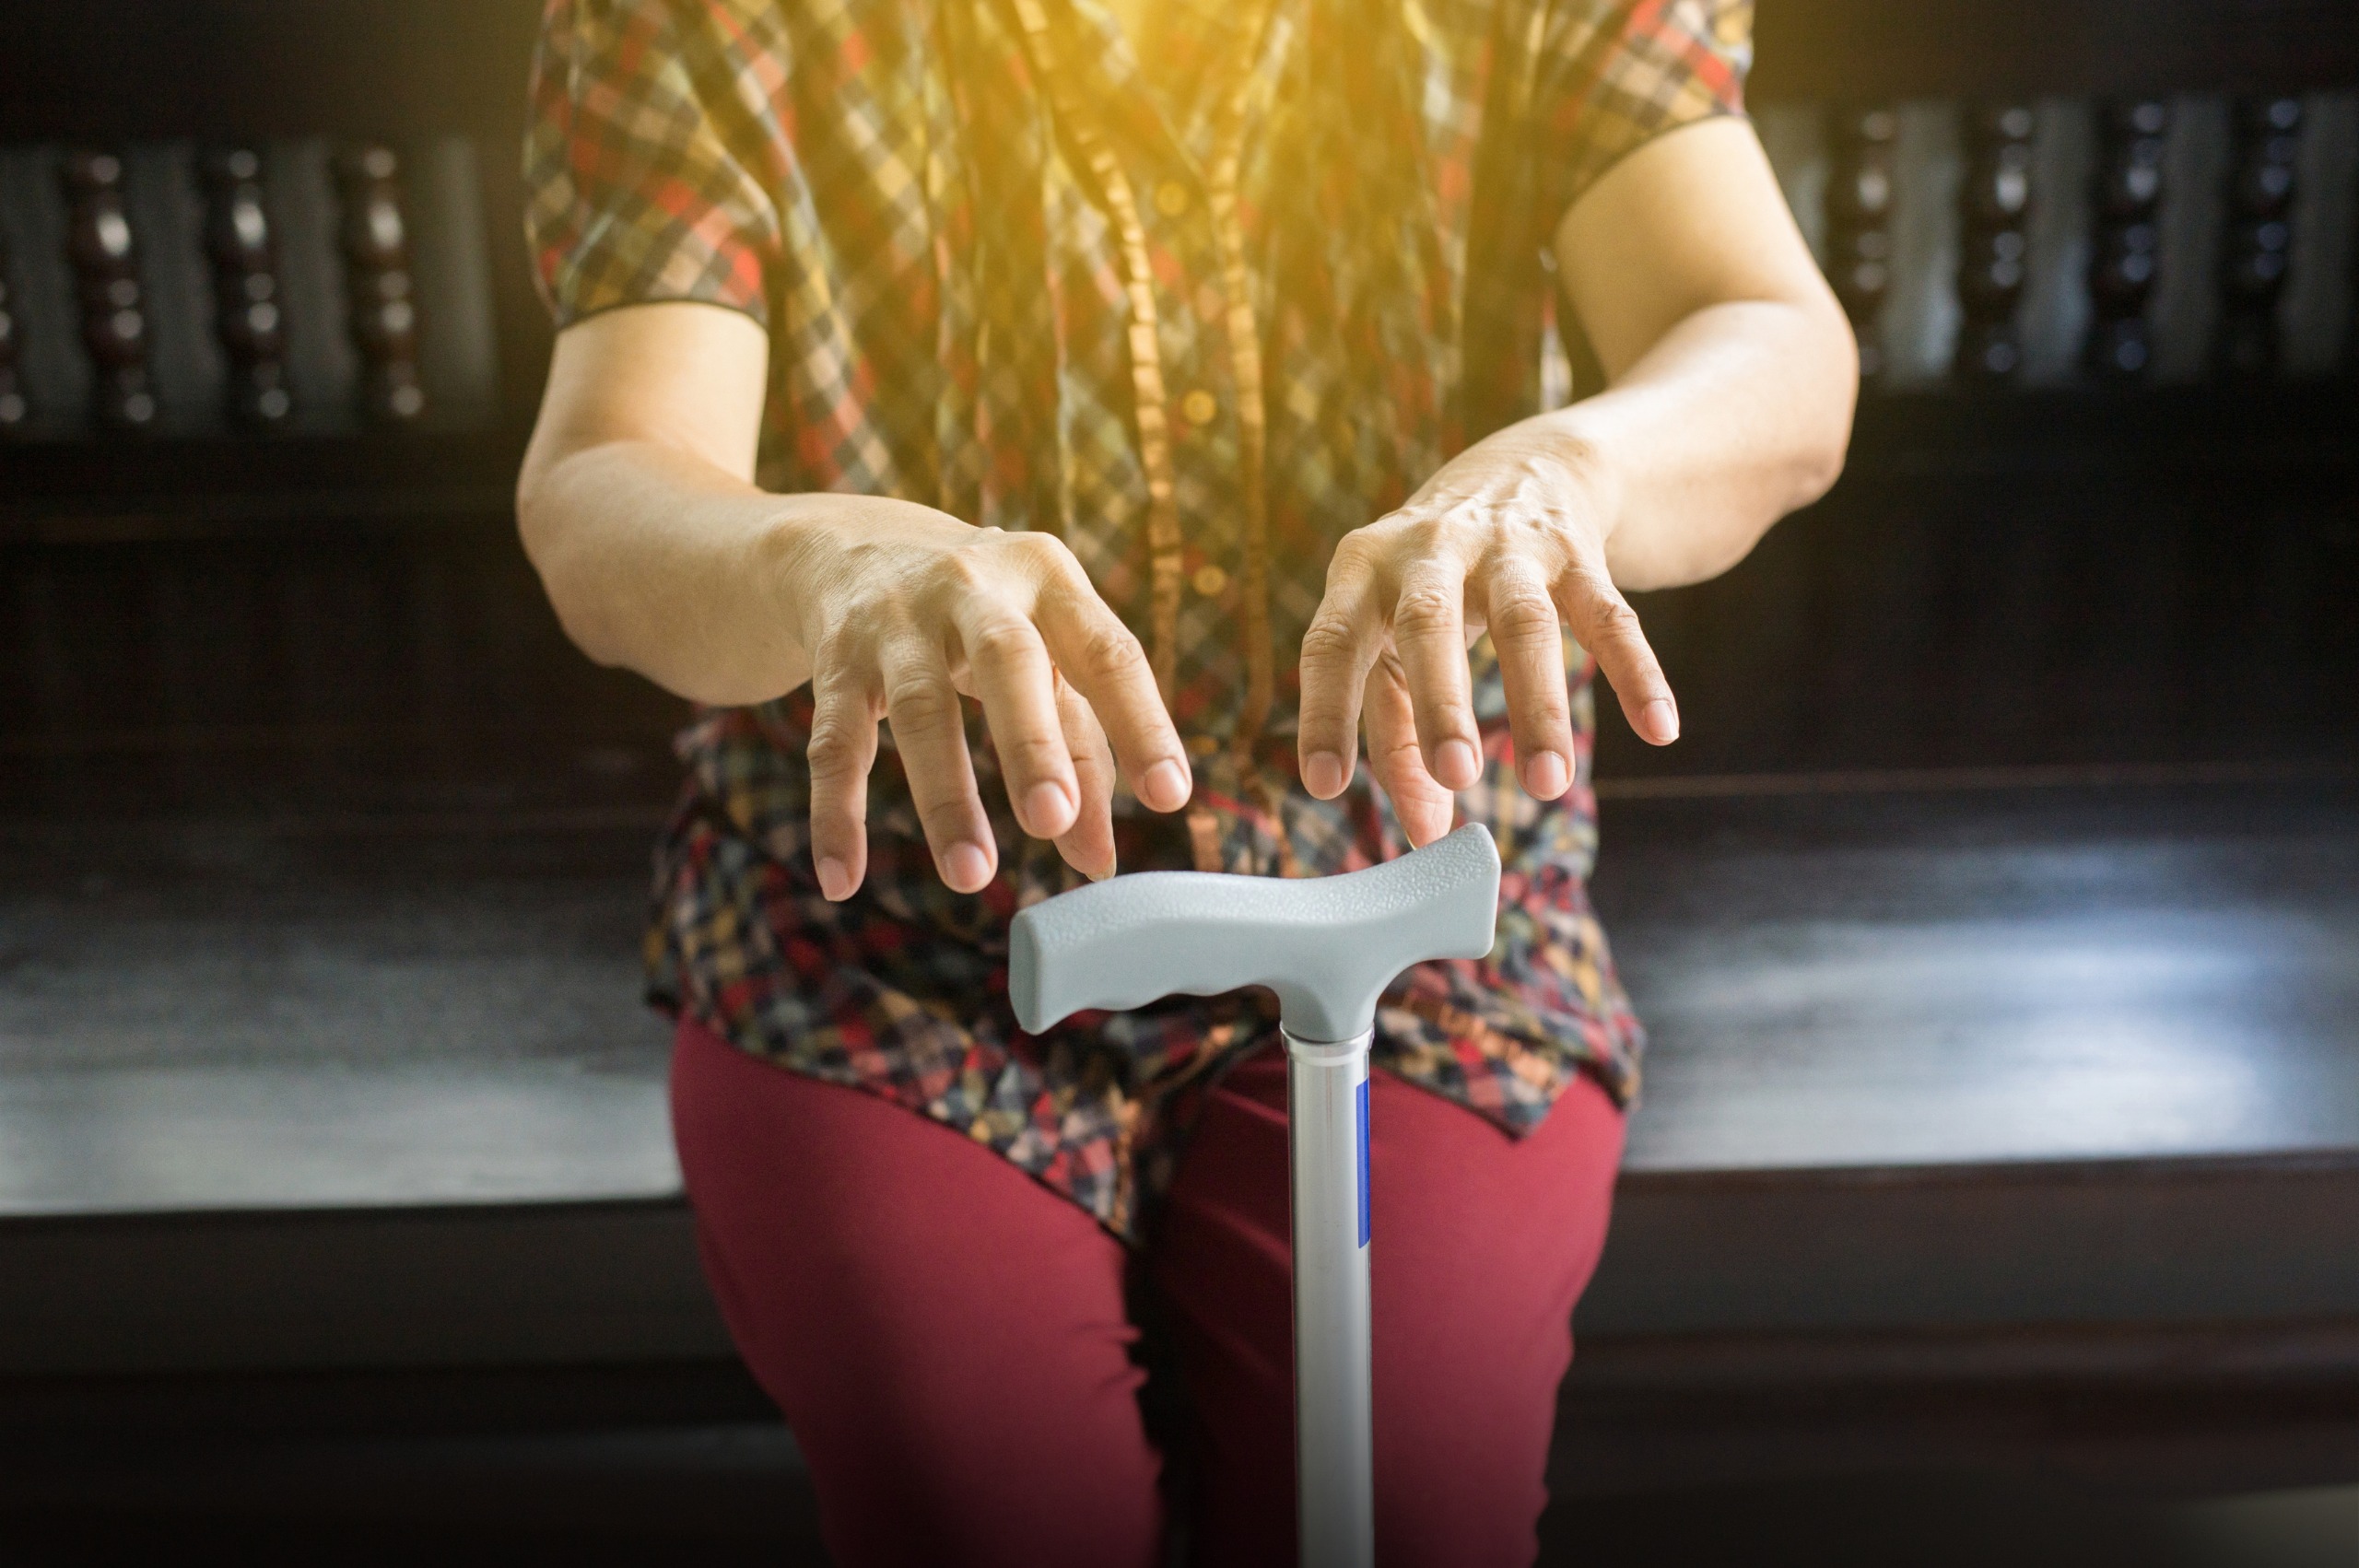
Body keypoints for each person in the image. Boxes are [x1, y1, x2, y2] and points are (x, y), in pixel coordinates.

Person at [515, 0, 1854, 1561]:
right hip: (895, 941)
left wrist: (1572, 468)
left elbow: (1765, 339)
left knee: (1404, 1510)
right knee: (997, 1521)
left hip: (1404, 920)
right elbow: (607, 483)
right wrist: (828, 562)